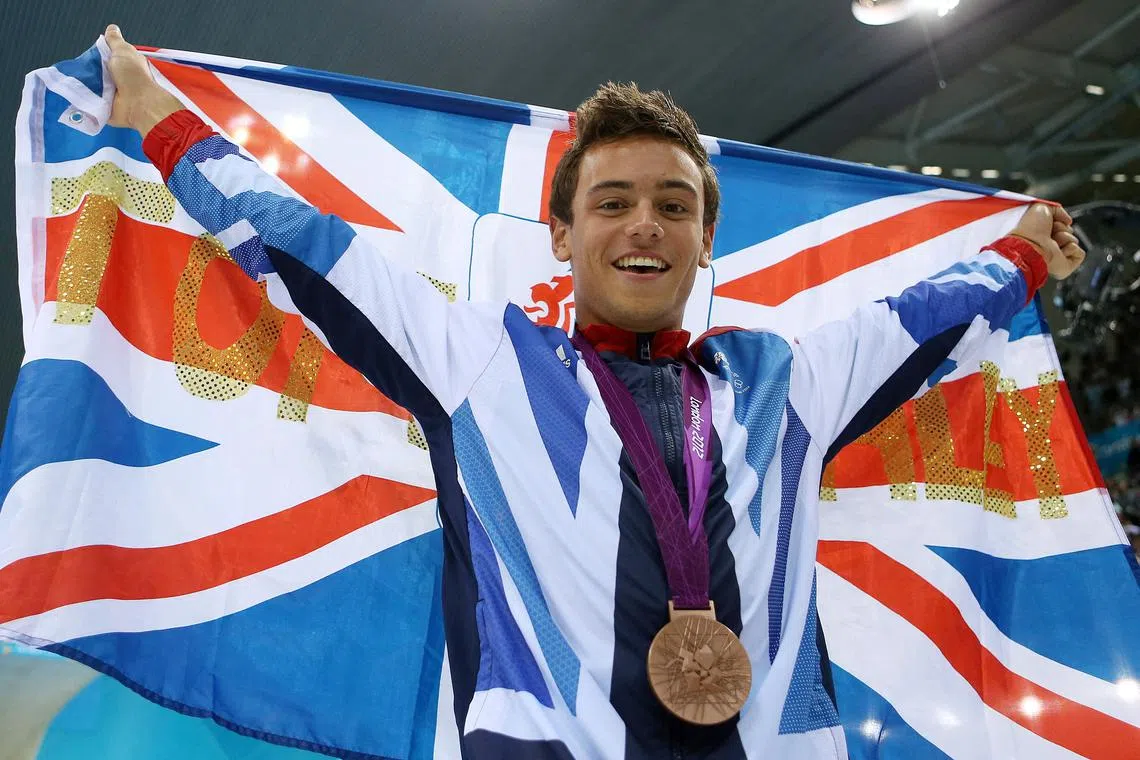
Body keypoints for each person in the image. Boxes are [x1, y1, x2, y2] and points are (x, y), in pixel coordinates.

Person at [102, 24, 1084, 759]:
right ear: (563, 237)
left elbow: (926, 318)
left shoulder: (786, 381)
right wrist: (158, 119)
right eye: (612, 203)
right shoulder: (483, 363)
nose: (644, 224)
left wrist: (1024, 256)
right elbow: (307, 247)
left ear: (706, 240)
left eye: (673, 205)